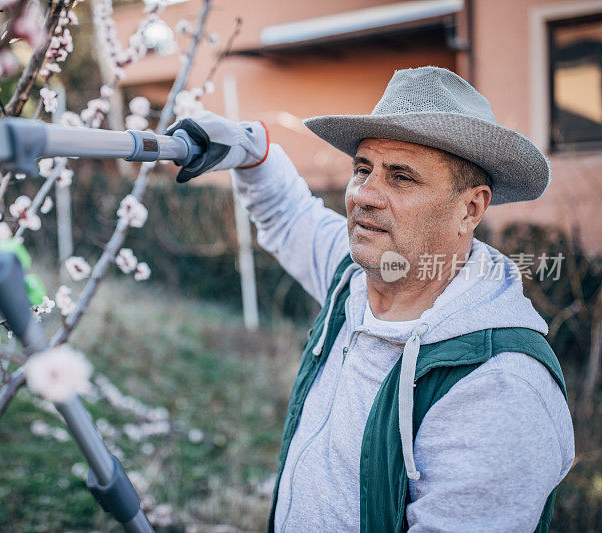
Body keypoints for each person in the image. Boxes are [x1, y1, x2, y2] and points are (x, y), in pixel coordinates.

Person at [170, 66, 575, 532]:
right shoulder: (358, 280)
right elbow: (291, 216)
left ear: (470, 208)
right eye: (363, 169)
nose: (365, 194)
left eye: (401, 177)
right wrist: (253, 150)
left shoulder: (499, 388)